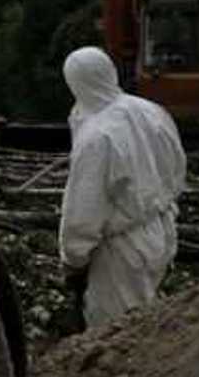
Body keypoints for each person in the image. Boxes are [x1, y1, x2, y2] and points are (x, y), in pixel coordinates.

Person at [59, 46, 186, 328]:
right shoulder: (151, 111)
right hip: (161, 230)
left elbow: (83, 208)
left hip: (124, 252)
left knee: (117, 331)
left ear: (75, 82)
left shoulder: (97, 137)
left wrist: (74, 257)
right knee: (146, 315)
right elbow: (178, 168)